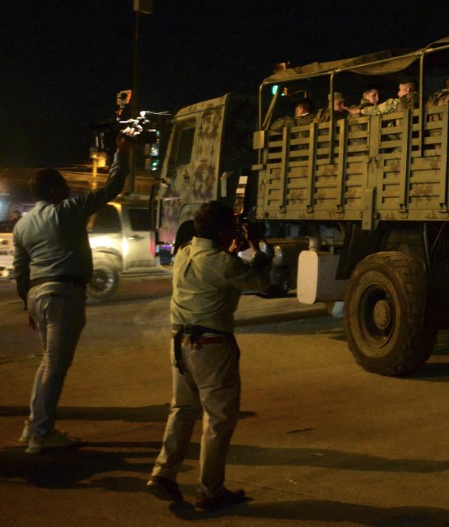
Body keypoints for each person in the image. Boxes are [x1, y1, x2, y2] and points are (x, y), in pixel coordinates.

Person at [146, 200, 272, 511]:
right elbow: (261, 281)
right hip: (212, 347)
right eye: (231, 226)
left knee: (183, 410)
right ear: (221, 231)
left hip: (180, 341)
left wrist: (231, 248)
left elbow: (214, 270)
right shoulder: (223, 263)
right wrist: (257, 247)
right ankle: (211, 490)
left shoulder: (185, 252)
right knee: (219, 419)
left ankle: (163, 474)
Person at [12, 131, 129, 453]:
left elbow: (21, 272)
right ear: (53, 190)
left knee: (48, 362)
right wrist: (120, 154)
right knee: (55, 366)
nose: (68, 189)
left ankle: (33, 427)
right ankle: (41, 434)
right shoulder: (68, 209)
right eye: (63, 185)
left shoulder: (22, 225)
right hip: (64, 294)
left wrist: (28, 306)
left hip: (38, 296)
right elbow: (112, 188)